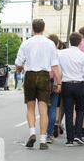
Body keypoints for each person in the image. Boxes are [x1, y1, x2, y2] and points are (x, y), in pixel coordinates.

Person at [15, 19, 62, 150]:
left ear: (32, 28)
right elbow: (55, 66)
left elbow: (18, 63)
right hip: (44, 76)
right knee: (43, 110)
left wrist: (19, 69)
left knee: (30, 108)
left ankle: (32, 133)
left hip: (29, 75)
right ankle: (43, 140)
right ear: (43, 28)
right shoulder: (50, 44)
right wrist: (59, 82)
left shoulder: (26, 43)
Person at [59, 32, 84, 146]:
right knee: (80, 110)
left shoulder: (61, 54)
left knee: (68, 112)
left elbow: (58, 70)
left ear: (69, 40)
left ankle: (69, 139)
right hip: (79, 85)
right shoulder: (83, 56)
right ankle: (78, 134)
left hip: (66, 84)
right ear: (80, 42)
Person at [46, 35, 62, 144]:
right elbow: (60, 70)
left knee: (44, 109)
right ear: (57, 44)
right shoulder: (59, 54)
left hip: (44, 82)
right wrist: (59, 83)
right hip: (55, 82)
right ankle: (49, 133)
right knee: (53, 109)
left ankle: (45, 132)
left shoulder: (44, 53)